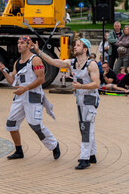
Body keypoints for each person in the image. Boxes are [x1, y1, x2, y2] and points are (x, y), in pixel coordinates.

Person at [33, 38, 100, 170]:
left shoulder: (91, 65)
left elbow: (96, 84)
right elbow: (53, 62)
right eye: (75, 45)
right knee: (85, 127)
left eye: (78, 45)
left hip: (90, 99)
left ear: (85, 49)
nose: (75, 47)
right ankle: (92, 155)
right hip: (80, 99)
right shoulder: (72, 63)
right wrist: (39, 52)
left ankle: (84, 158)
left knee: (85, 128)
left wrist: (81, 85)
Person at [0, 36, 61, 162]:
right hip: (20, 97)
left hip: (33, 96)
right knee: (11, 124)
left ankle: (54, 145)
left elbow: (41, 79)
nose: (19, 45)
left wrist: (25, 89)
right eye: (18, 43)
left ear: (29, 46)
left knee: (35, 125)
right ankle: (19, 150)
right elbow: (13, 82)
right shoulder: (17, 63)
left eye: (22, 43)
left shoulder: (35, 60)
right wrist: (4, 71)